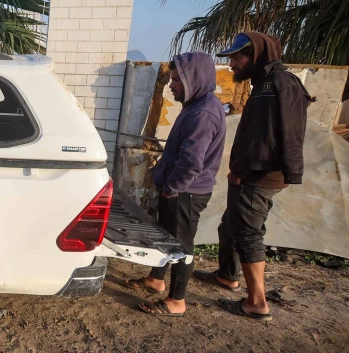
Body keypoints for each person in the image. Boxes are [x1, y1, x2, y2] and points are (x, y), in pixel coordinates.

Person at [194, 32, 311, 321]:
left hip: (258, 177)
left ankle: (257, 302)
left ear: (256, 55)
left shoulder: (281, 84)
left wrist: (246, 173)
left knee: (247, 234)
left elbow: (288, 133)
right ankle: (227, 275)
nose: (232, 63)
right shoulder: (264, 84)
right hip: (249, 173)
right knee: (230, 226)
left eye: (237, 57)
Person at [125, 52, 226, 316]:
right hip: (180, 189)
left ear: (194, 79)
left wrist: (172, 188)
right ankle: (156, 280)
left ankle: (177, 301)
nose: (172, 85)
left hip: (186, 192)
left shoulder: (202, 113)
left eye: (177, 80)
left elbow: (192, 163)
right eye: (172, 79)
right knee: (168, 237)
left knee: (181, 245)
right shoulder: (196, 106)